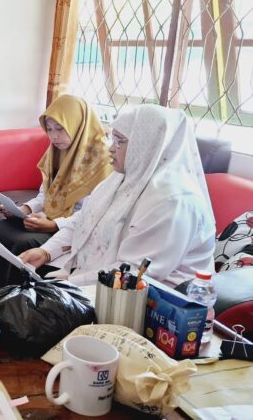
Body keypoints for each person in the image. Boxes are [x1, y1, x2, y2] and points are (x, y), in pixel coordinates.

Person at [19, 104, 215, 287]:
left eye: (120, 141)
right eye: (113, 139)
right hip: (98, 280)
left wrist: (69, 284)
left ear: (148, 145)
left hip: (151, 298)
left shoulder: (173, 201)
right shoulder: (120, 178)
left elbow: (135, 273)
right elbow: (84, 220)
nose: (111, 148)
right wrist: (46, 252)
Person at [0, 95, 111, 293]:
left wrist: (54, 224)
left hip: (73, 229)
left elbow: (90, 214)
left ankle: (6, 300)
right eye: (49, 129)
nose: (53, 136)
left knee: (19, 242)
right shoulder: (58, 151)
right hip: (49, 219)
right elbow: (46, 195)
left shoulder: (103, 162)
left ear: (77, 124)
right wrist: (24, 209)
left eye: (60, 128)